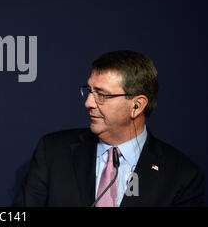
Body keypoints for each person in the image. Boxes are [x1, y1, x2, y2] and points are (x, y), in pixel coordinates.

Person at [13, 50, 205, 207]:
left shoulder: (182, 176)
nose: (89, 103)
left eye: (102, 95)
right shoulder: (53, 152)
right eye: (89, 91)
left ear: (137, 106)